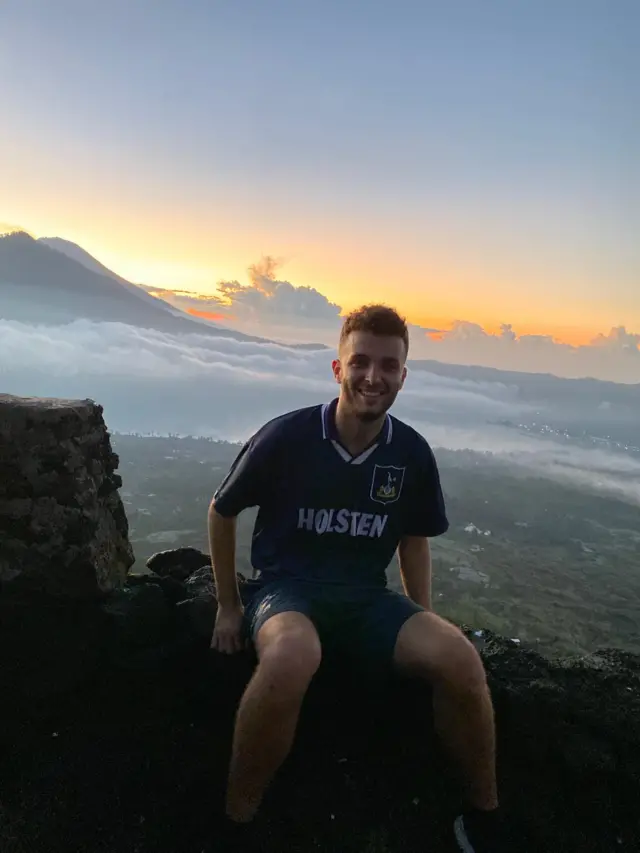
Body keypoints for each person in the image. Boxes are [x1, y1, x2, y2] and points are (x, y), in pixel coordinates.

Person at [208, 304, 504, 852]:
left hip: (369, 599)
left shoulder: (410, 452)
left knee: (461, 660)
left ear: (404, 376)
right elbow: (222, 510)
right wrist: (228, 606)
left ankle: (483, 814)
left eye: (389, 366)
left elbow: (414, 539)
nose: (374, 376)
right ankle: (237, 818)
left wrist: (424, 613)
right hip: (286, 590)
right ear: (337, 369)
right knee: (292, 657)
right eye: (361, 361)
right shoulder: (288, 436)